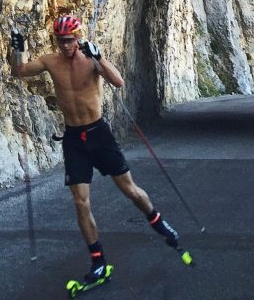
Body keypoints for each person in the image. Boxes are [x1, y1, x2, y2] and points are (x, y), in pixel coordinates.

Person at [10, 15, 180, 285]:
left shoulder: (90, 58)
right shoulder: (50, 61)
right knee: (80, 200)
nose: (65, 45)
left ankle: (156, 219)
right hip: (74, 138)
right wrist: (17, 49)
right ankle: (98, 261)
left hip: (98, 134)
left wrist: (99, 59)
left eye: (69, 40)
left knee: (130, 190)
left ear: (78, 38)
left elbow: (118, 82)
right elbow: (20, 71)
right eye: (60, 41)